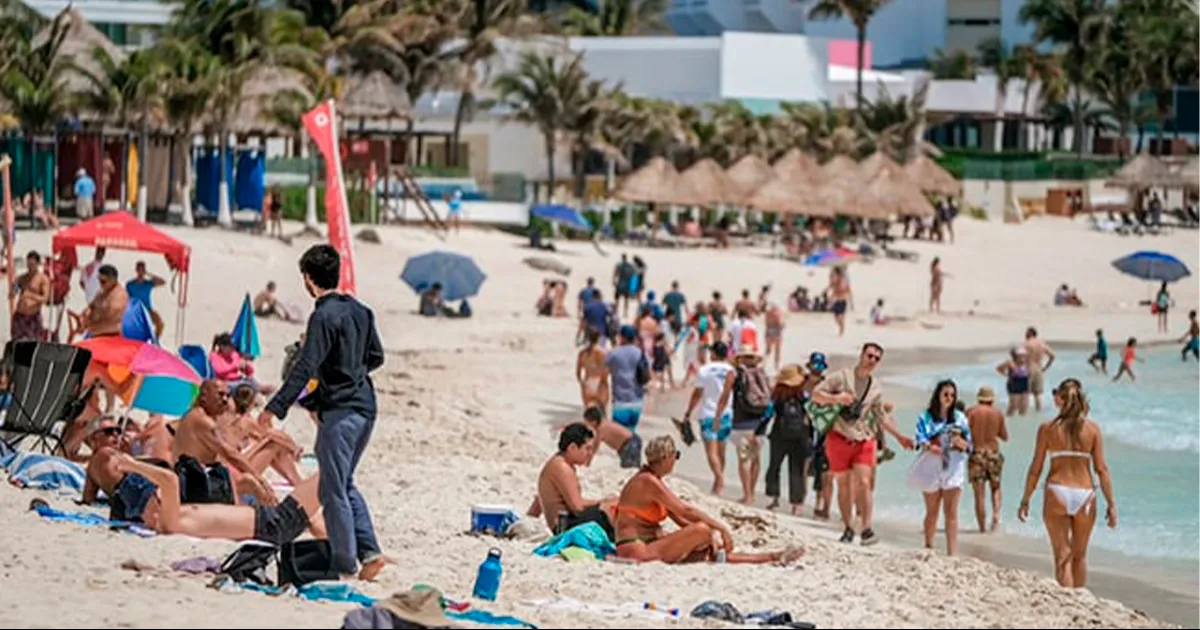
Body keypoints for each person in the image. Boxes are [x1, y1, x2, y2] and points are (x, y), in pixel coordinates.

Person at [258, 244, 389, 580]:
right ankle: (370, 553)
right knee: (343, 482)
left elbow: (304, 369)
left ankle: (344, 563)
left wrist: (274, 408)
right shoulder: (361, 311)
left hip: (342, 413)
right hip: (366, 407)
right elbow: (376, 357)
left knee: (334, 489)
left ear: (308, 279)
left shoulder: (323, 316)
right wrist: (349, 372)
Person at [613, 435, 804, 565]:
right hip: (636, 551)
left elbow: (681, 520)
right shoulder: (647, 481)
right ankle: (771, 556)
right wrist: (720, 528)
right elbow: (685, 511)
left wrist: (708, 538)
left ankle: (771, 557)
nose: (676, 461)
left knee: (708, 551)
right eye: (676, 456)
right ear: (666, 457)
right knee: (703, 531)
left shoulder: (653, 482)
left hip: (648, 545)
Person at [1017, 379, 1117, 588]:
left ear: (1060, 400)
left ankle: (1067, 597)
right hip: (1085, 494)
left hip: (1057, 491)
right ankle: (1079, 597)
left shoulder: (1048, 428)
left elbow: (1036, 468)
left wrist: (1025, 499)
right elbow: (1102, 469)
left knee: (1062, 556)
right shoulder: (1093, 430)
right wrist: (1111, 504)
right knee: (1079, 556)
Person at [811, 343, 913, 545]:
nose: (872, 360)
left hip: (863, 438)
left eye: (877, 358)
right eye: (870, 355)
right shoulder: (841, 377)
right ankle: (848, 527)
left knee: (864, 483)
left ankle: (866, 529)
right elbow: (815, 394)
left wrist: (900, 436)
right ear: (861, 355)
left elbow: (880, 415)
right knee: (844, 484)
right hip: (839, 436)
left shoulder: (875, 386)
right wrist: (837, 398)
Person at [109, 453, 326, 545]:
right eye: (154, 498)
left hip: (269, 521)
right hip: (271, 524)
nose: (159, 498)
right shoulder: (168, 523)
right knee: (333, 472)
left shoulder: (170, 518)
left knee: (333, 475)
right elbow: (169, 480)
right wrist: (132, 465)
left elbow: (168, 482)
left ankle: (339, 541)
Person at [174, 379, 275, 505]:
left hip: (190, 478)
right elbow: (229, 453)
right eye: (220, 395)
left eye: (227, 395)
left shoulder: (193, 415)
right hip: (193, 484)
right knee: (250, 482)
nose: (225, 400)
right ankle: (273, 519)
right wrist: (259, 478)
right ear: (204, 396)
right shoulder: (204, 421)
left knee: (239, 481)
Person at [908, 380, 973, 555]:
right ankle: (929, 546)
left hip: (954, 465)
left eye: (952, 395)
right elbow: (919, 438)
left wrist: (963, 444)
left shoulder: (960, 418)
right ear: (938, 395)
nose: (949, 398)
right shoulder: (926, 416)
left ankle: (952, 553)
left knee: (951, 513)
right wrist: (931, 446)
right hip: (931, 465)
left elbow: (970, 444)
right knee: (932, 511)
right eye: (946, 394)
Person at [528, 423, 613, 537]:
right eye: (587, 448)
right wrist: (602, 502)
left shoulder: (558, 462)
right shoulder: (562, 468)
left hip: (563, 523)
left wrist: (530, 518)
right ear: (572, 447)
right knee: (611, 507)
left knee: (611, 505)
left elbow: (540, 498)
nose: (590, 453)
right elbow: (577, 507)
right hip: (564, 526)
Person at [713, 346, 771, 505]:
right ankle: (751, 492)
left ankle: (747, 496)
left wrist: (717, 417)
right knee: (756, 459)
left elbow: (724, 397)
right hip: (760, 423)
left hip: (741, 422)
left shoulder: (734, 374)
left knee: (744, 459)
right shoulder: (762, 374)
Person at [222, 383, 303, 486]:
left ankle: (295, 480)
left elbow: (265, 435)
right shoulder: (246, 421)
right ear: (251, 403)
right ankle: (297, 480)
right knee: (273, 444)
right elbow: (273, 434)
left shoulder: (231, 418)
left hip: (228, 468)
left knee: (271, 442)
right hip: (236, 469)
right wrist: (294, 448)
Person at [681, 341, 735, 496]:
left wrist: (688, 412)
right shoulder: (731, 370)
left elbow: (697, 394)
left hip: (708, 413)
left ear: (713, 354)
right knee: (721, 449)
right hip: (727, 413)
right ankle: (717, 484)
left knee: (711, 452)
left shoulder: (705, 370)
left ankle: (720, 480)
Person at [762, 364, 811, 516]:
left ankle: (774, 498)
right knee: (796, 469)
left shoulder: (777, 395)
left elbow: (768, 414)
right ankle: (797, 505)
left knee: (774, 466)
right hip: (800, 436)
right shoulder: (804, 396)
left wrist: (759, 431)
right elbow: (812, 417)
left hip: (779, 435)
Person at [967, 386, 1007, 533]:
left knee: (979, 494)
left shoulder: (971, 412)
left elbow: (965, 433)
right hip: (994, 453)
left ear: (979, 398)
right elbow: (1004, 436)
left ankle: (982, 528)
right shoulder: (998, 413)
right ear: (992, 399)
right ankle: (996, 515)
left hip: (977, 454)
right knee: (996, 488)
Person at [606, 325, 647, 432]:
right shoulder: (640, 353)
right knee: (631, 433)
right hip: (637, 402)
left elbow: (604, 374)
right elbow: (648, 375)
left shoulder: (613, 354)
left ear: (622, 337)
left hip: (620, 401)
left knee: (619, 438)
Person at [80, 264, 128, 338]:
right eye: (99, 280)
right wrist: (84, 314)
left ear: (113, 280)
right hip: (95, 334)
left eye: (103, 281)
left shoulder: (119, 296)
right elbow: (92, 306)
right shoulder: (103, 291)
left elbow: (111, 323)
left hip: (110, 338)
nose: (100, 284)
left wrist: (88, 327)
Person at [11, 250, 50, 342]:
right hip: (20, 316)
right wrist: (13, 289)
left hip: (33, 316)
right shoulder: (22, 278)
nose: (29, 267)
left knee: (33, 344)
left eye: (32, 264)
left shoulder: (42, 279)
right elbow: (13, 292)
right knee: (17, 344)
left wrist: (30, 296)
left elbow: (45, 299)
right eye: (28, 264)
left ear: (37, 264)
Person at [126, 261, 166, 338]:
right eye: (139, 270)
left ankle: (154, 339)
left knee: (160, 324)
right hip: (135, 310)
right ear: (136, 270)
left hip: (148, 309)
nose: (141, 272)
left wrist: (148, 274)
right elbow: (127, 298)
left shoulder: (148, 283)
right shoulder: (130, 284)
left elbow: (163, 282)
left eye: (142, 270)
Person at [576, 328, 609, 412]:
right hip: (599, 382)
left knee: (589, 412)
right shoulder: (603, 353)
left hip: (588, 382)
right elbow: (605, 371)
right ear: (598, 338)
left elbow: (578, 372)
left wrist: (582, 383)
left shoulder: (582, 353)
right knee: (602, 412)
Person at [1023, 327, 1055, 412]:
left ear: (1030, 334)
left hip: (1028, 368)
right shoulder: (1042, 344)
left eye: (1026, 333)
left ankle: (1024, 412)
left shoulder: (1027, 344)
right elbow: (1052, 356)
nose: (1025, 335)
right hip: (1039, 369)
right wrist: (1046, 367)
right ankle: (1038, 412)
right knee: (1037, 394)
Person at [997, 347, 1031, 417]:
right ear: (1016, 356)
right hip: (1014, 384)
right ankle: (1008, 417)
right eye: (1021, 356)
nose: (1023, 357)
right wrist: (1005, 374)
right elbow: (999, 368)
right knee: (1014, 406)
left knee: (1024, 406)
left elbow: (1029, 374)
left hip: (1024, 384)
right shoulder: (1010, 363)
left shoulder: (1027, 363)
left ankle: (1021, 422)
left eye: (1024, 355)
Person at [827, 266, 852, 337]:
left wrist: (851, 302)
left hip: (843, 301)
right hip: (836, 301)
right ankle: (841, 329)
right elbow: (833, 293)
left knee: (840, 318)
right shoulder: (834, 283)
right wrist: (830, 302)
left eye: (835, 274)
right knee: (836, 319)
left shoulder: (843, 282)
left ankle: (841, 331)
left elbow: (849, 291)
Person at [762, 299, 784, 372]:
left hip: (768, 330)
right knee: (777, 350)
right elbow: (780, 323)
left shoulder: (767, 313)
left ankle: (763, 364)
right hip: (776, 331)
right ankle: (776, 367)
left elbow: (765, 323)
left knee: (767, 350)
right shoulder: (777, 313)